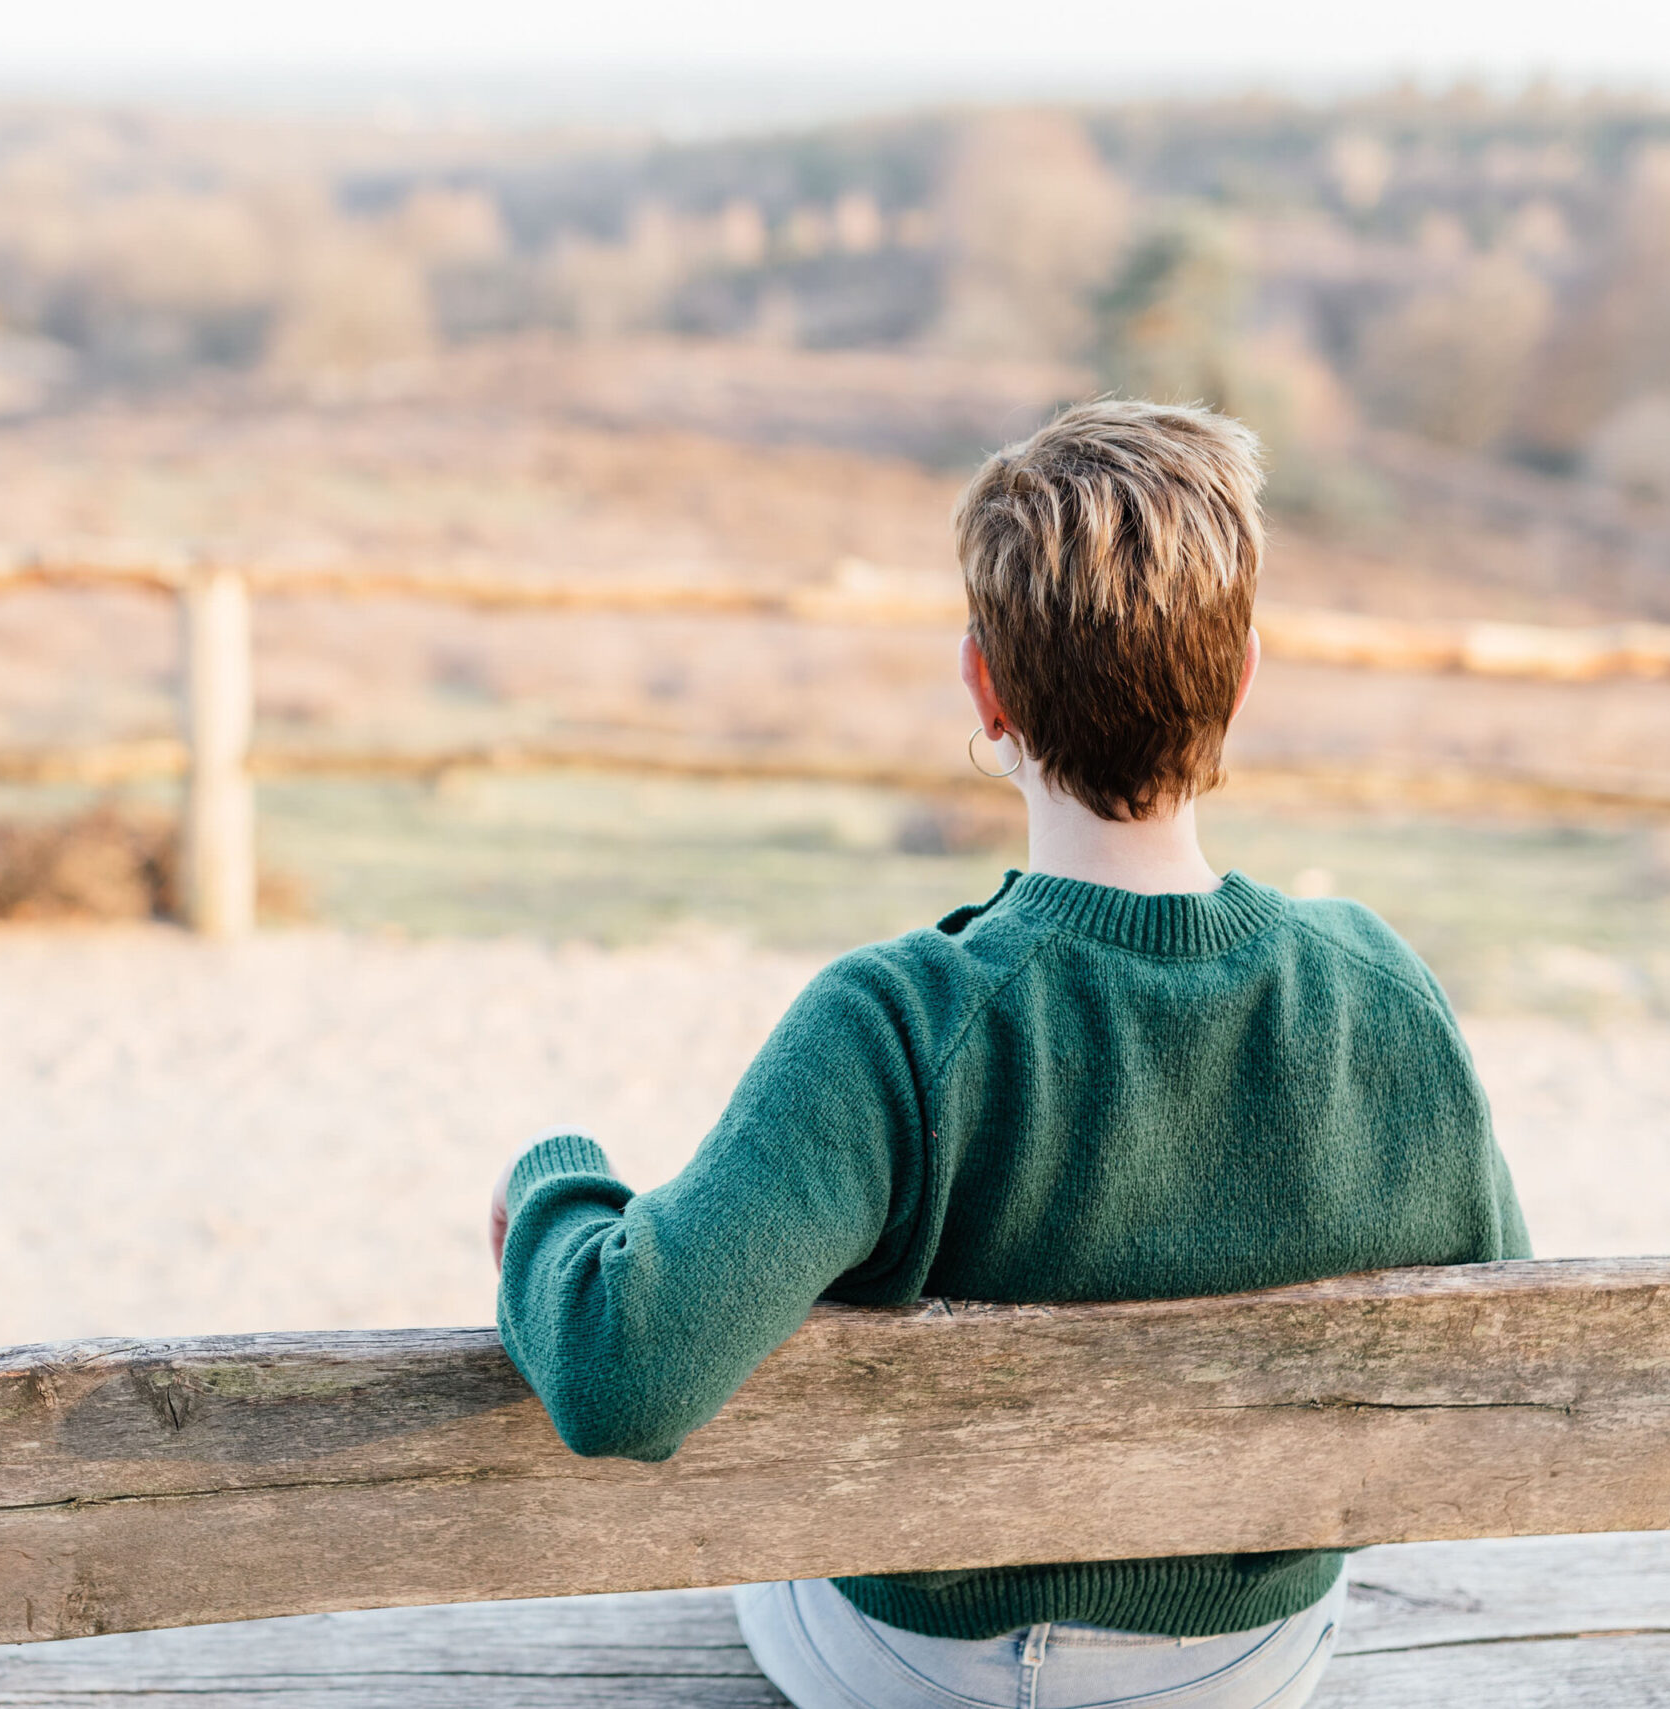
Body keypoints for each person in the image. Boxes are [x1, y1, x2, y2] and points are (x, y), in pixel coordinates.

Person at [485, 399, 1529, 1709]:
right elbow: (1493, 1347)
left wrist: (554, 1182)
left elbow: (617, 1371)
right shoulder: (1378, 994)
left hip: (918, 1662)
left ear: (985, 685)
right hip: (1241, 1661)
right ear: (1244, 672)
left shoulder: (898, 1025)